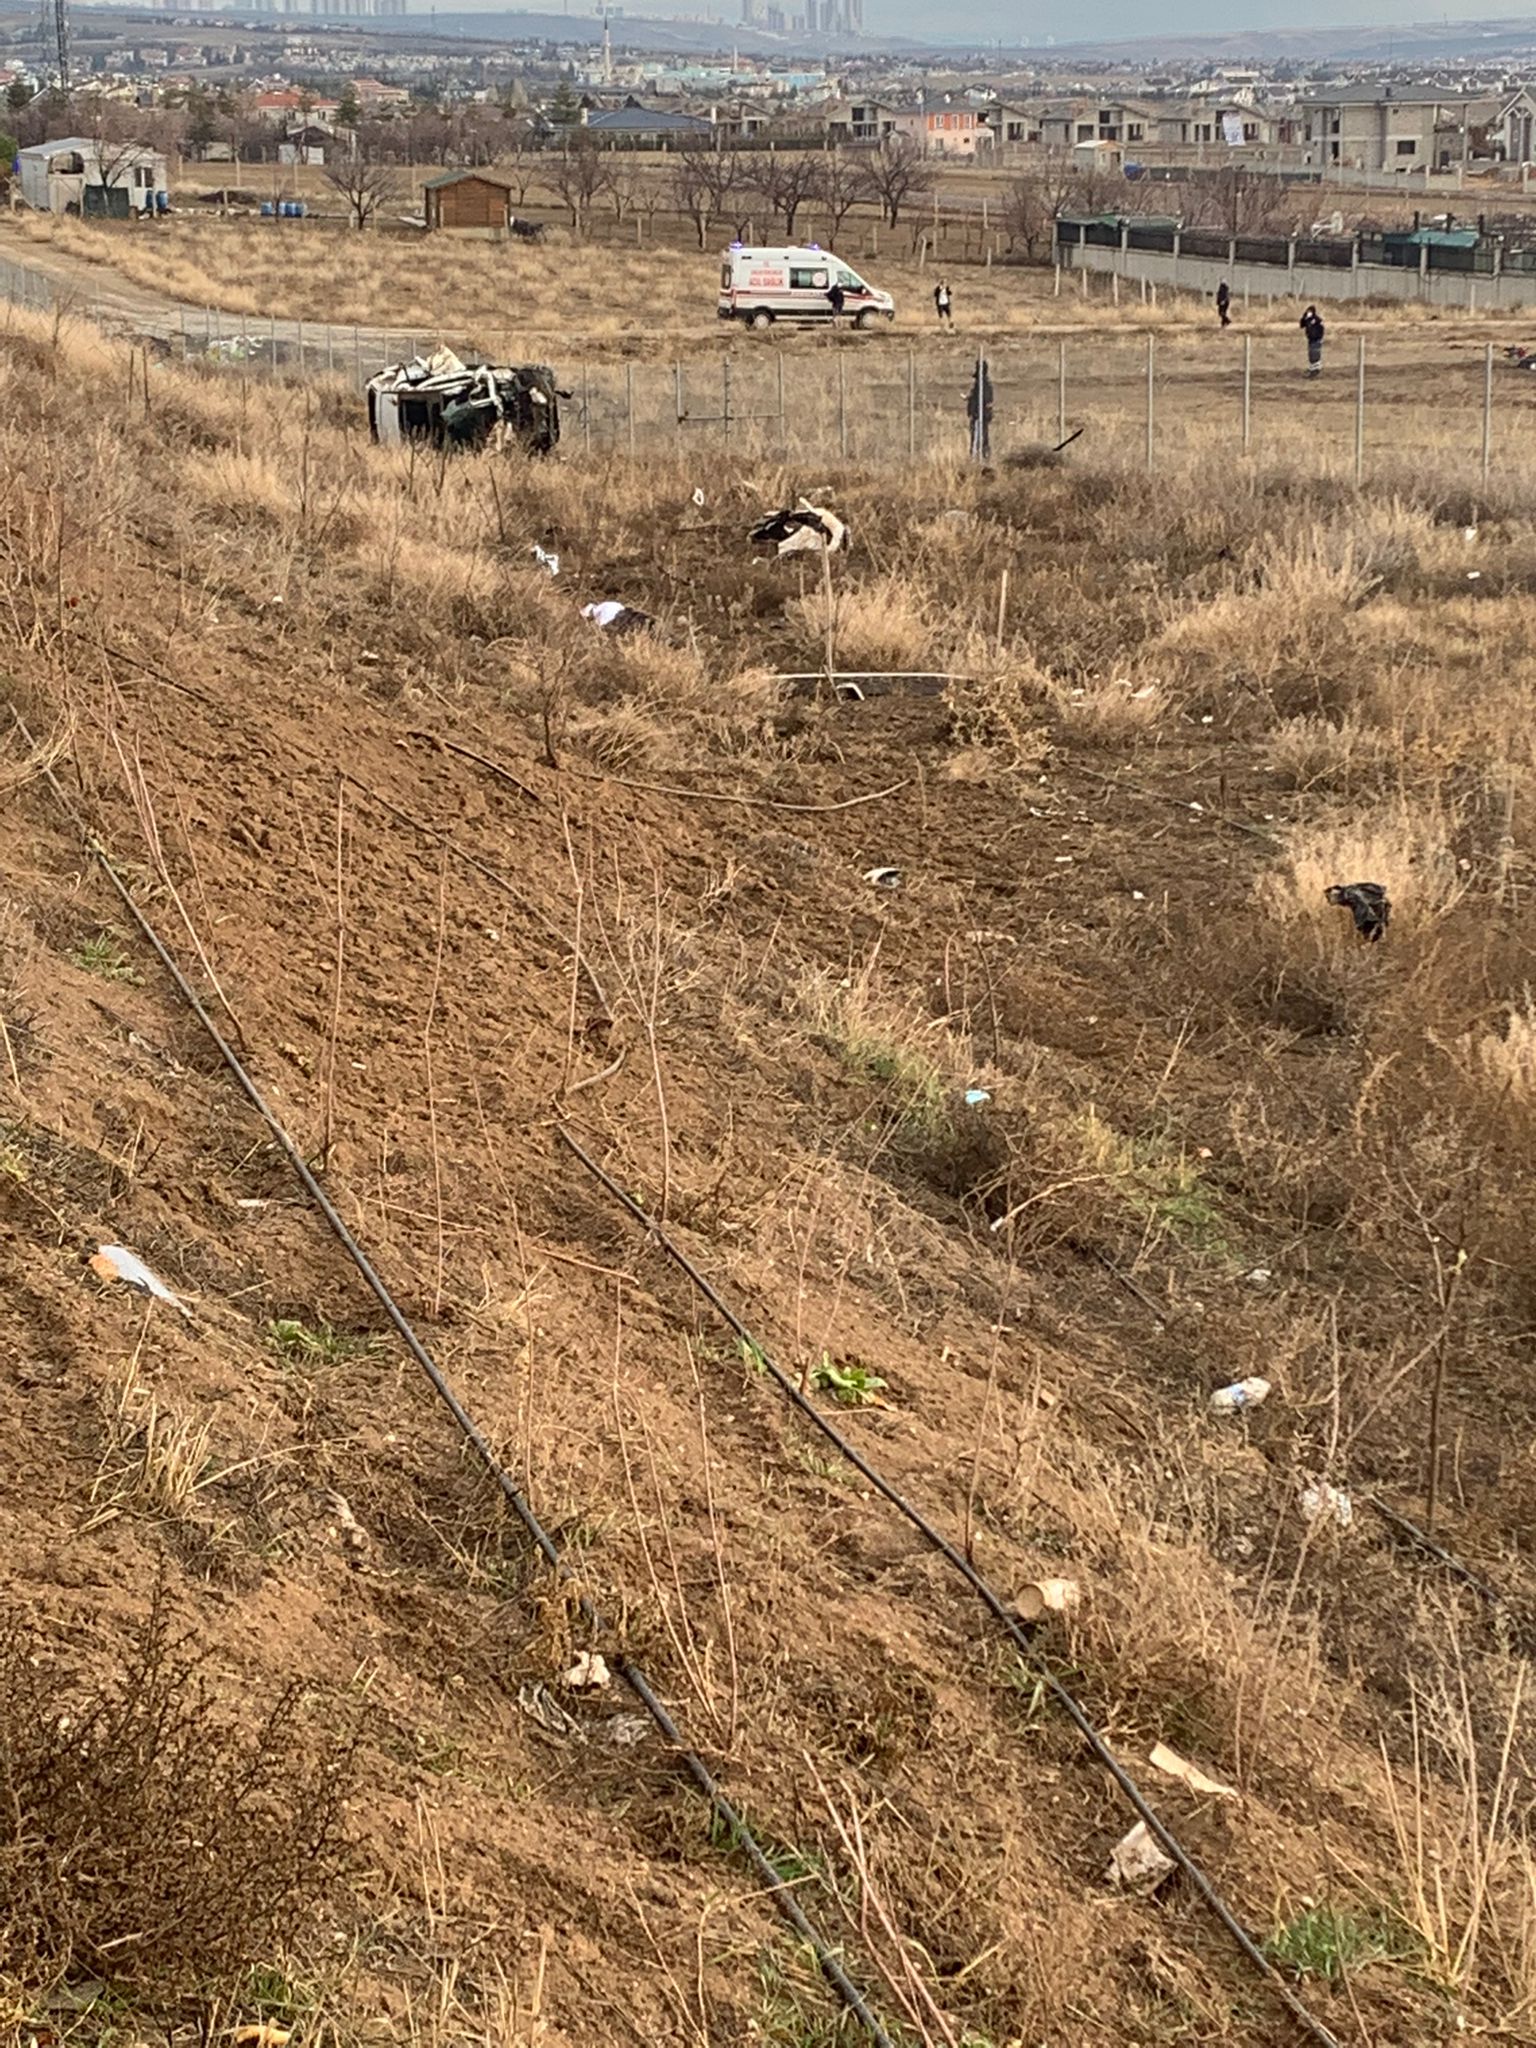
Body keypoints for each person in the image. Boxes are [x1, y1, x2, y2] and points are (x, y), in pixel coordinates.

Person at [966, 355, 993, 462]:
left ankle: (976, 458)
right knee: (982, 437)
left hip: (979, 416)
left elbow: (984, 401)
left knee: (978, 438)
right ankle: (982, 457)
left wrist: (974, 409)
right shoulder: (986, 385)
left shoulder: (982, 386)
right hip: (981, 415)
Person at [1300, 303, 1325, 377]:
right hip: (1310, 339)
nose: (1308, 313)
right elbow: (1301, 325)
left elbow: (1321, 329)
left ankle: (1316, 370)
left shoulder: (1317, 319)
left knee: (1315, 354)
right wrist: (1304, 317)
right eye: (1308, 311)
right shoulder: (1307, 319)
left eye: (1310, 311)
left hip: (1317, 339)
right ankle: (1312, 369)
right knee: (1311, 355)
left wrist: (1320, 337)